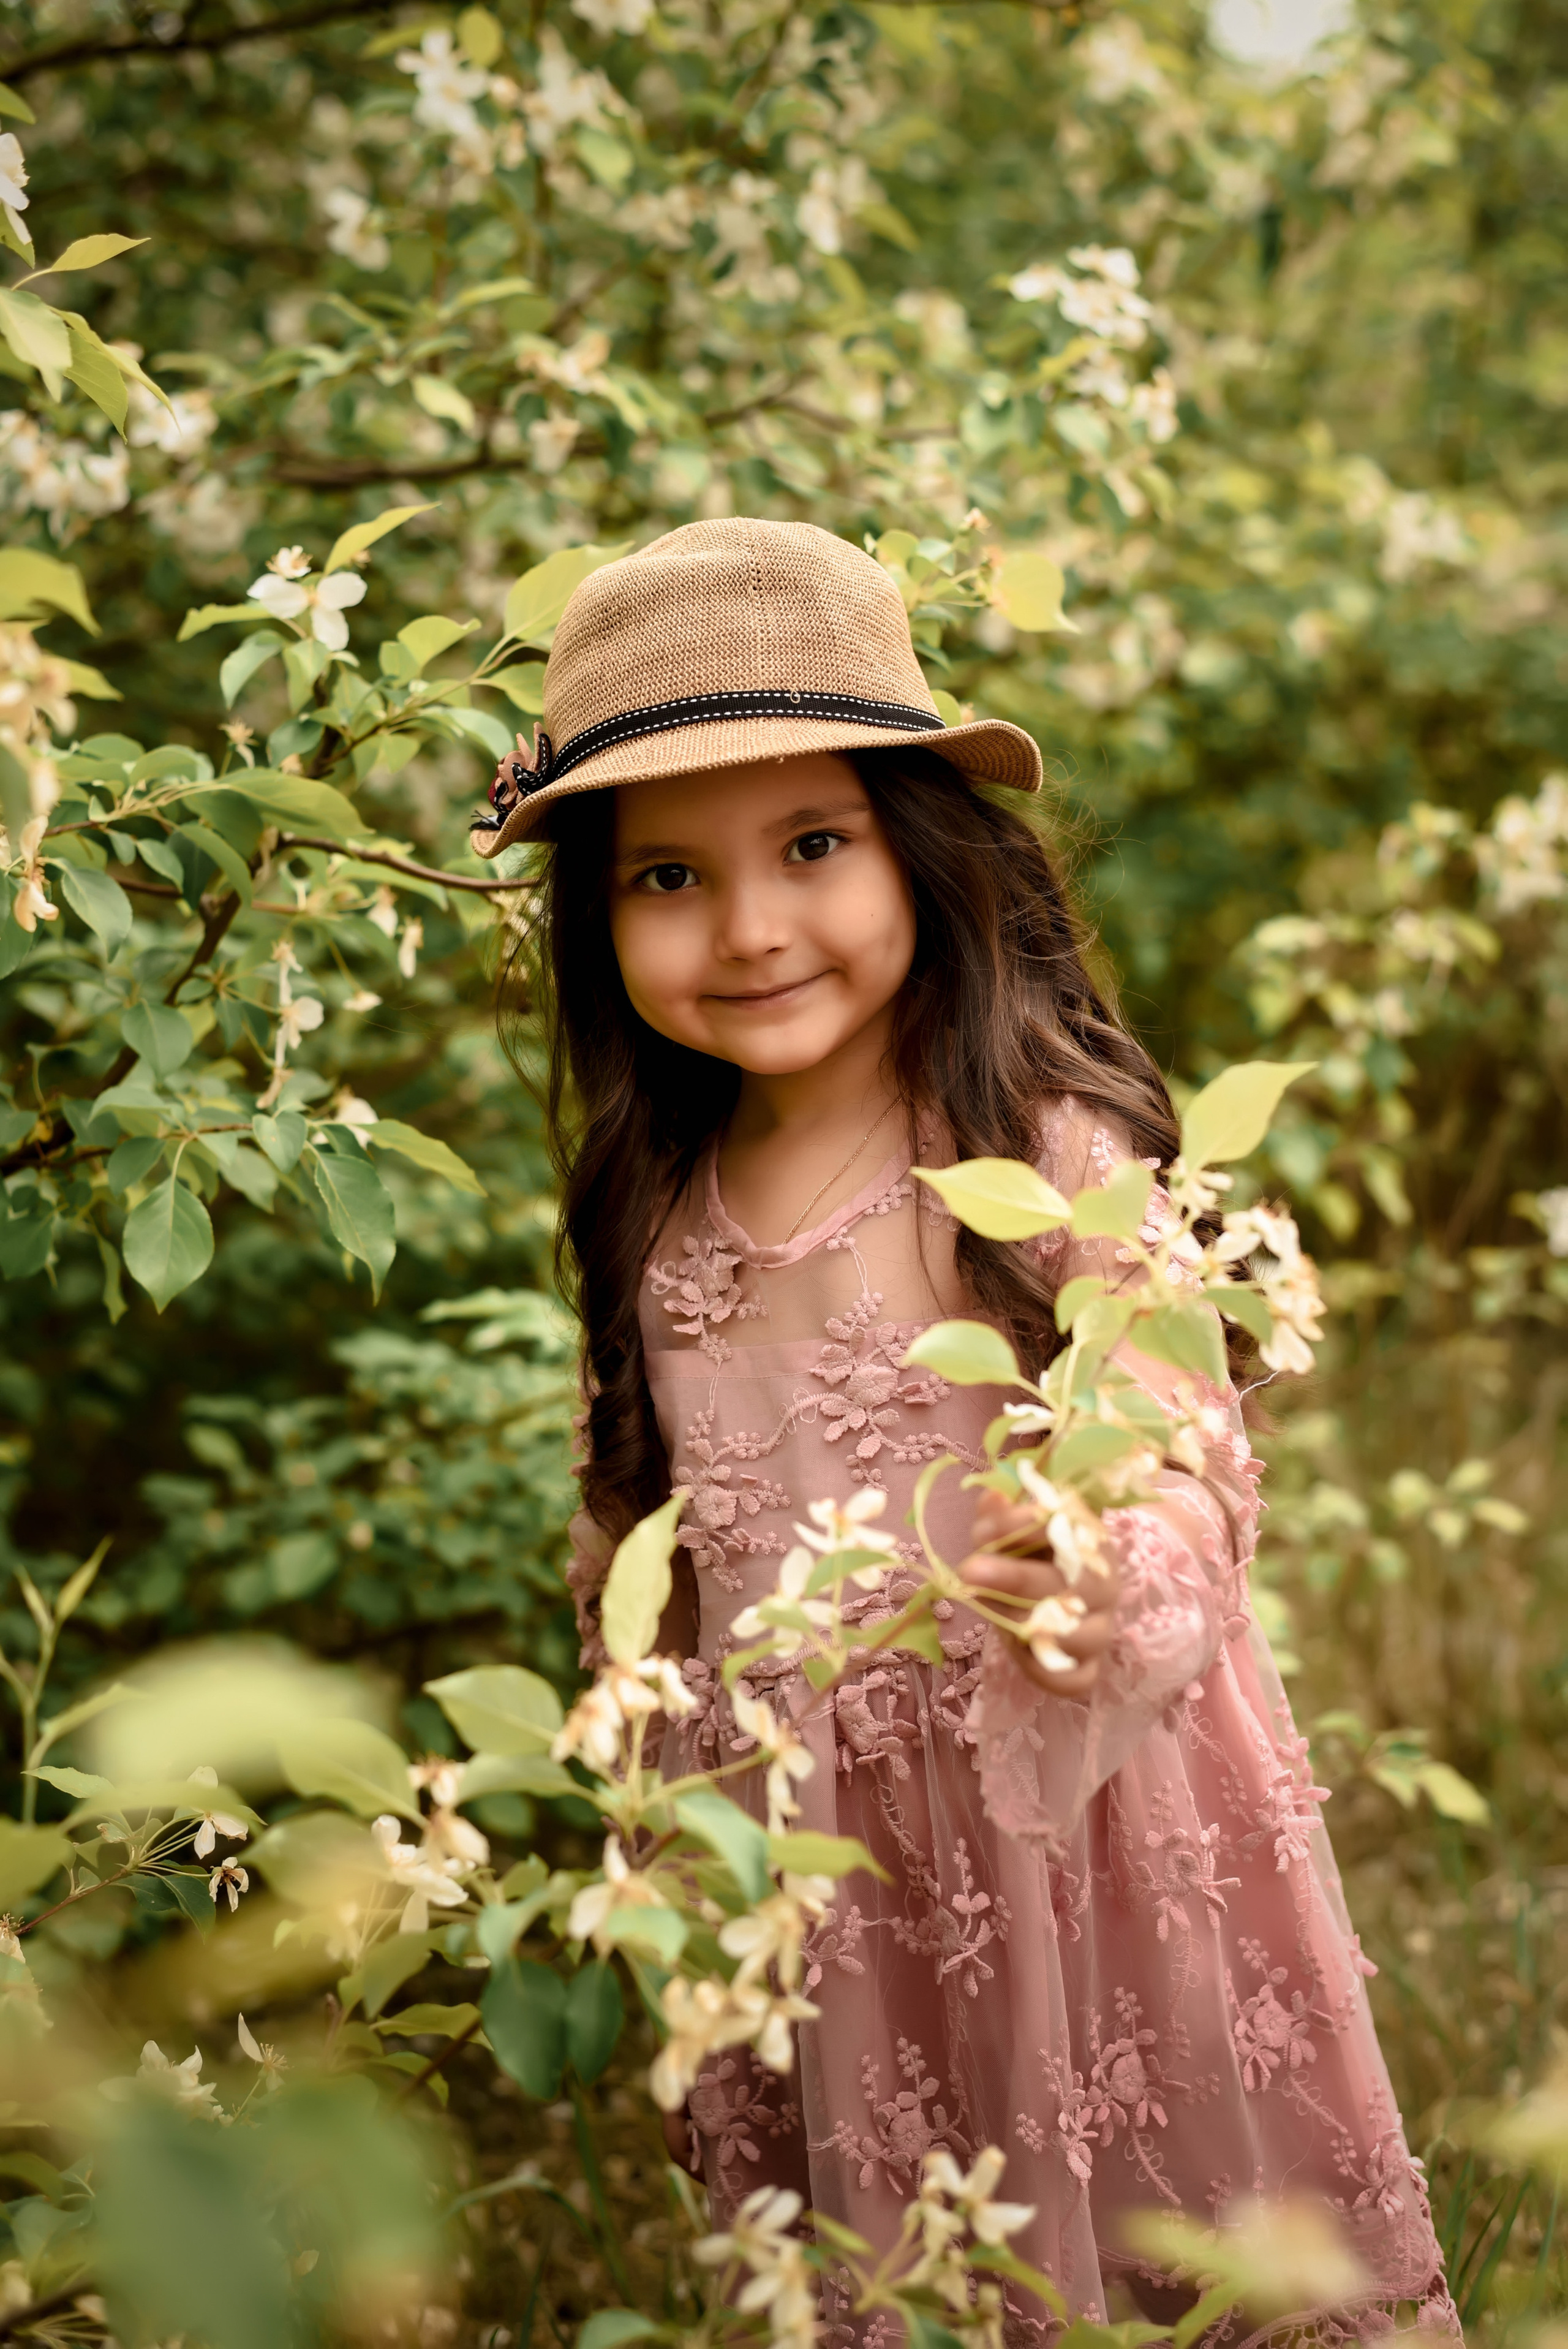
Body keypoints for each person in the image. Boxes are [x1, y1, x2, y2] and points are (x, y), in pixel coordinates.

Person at [472, 519, 1458, 2341]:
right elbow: (647, 1535)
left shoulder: (1037, 1151)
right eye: (667, 876)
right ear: (596, 918)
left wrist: (1106, 1575)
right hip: (825, 1872)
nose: (752, 925)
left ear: (921, 844)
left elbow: (1185, 1447)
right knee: (906, 2254)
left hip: (1071, 1810)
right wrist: (645, 1792)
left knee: (1161, 2244)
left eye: (815, 846)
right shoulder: (659, 1203)